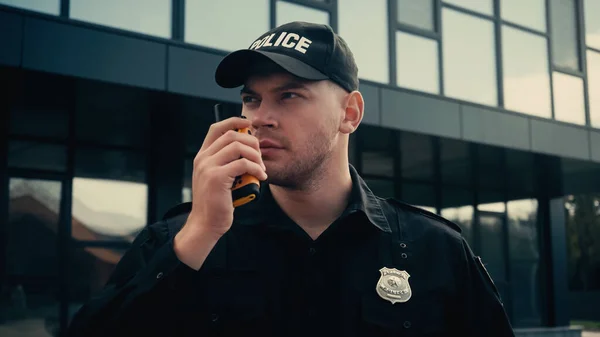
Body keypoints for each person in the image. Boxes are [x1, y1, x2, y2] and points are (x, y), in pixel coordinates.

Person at [66, 21, 515, 337]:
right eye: (251, 99)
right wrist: (199, 234)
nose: (260, 118)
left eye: (290, 96)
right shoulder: (180, 239)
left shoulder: (433, 249)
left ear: (350, 113)